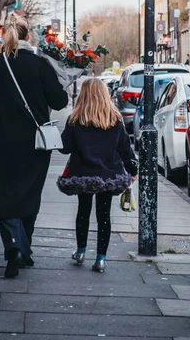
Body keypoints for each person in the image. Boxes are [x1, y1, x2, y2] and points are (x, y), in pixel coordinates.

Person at [0, 14, 68, 278]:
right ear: (27, 37)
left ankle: (14, 246)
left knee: (3, 195)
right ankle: (25, 248)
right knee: (28, 194)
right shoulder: (40, 65)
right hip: (33, 145)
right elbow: (59, 101)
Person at [57, 78, 138, 273]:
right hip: (108, 175)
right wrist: (132, 169)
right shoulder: (114, 118)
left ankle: (80, 251)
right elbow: (125, 148)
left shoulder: (75, 119)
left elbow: (65, 147)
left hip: (82, 173)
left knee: (83, 212)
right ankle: (101, 259)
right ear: (104, 95)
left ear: (83, 95)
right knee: (104, 216)